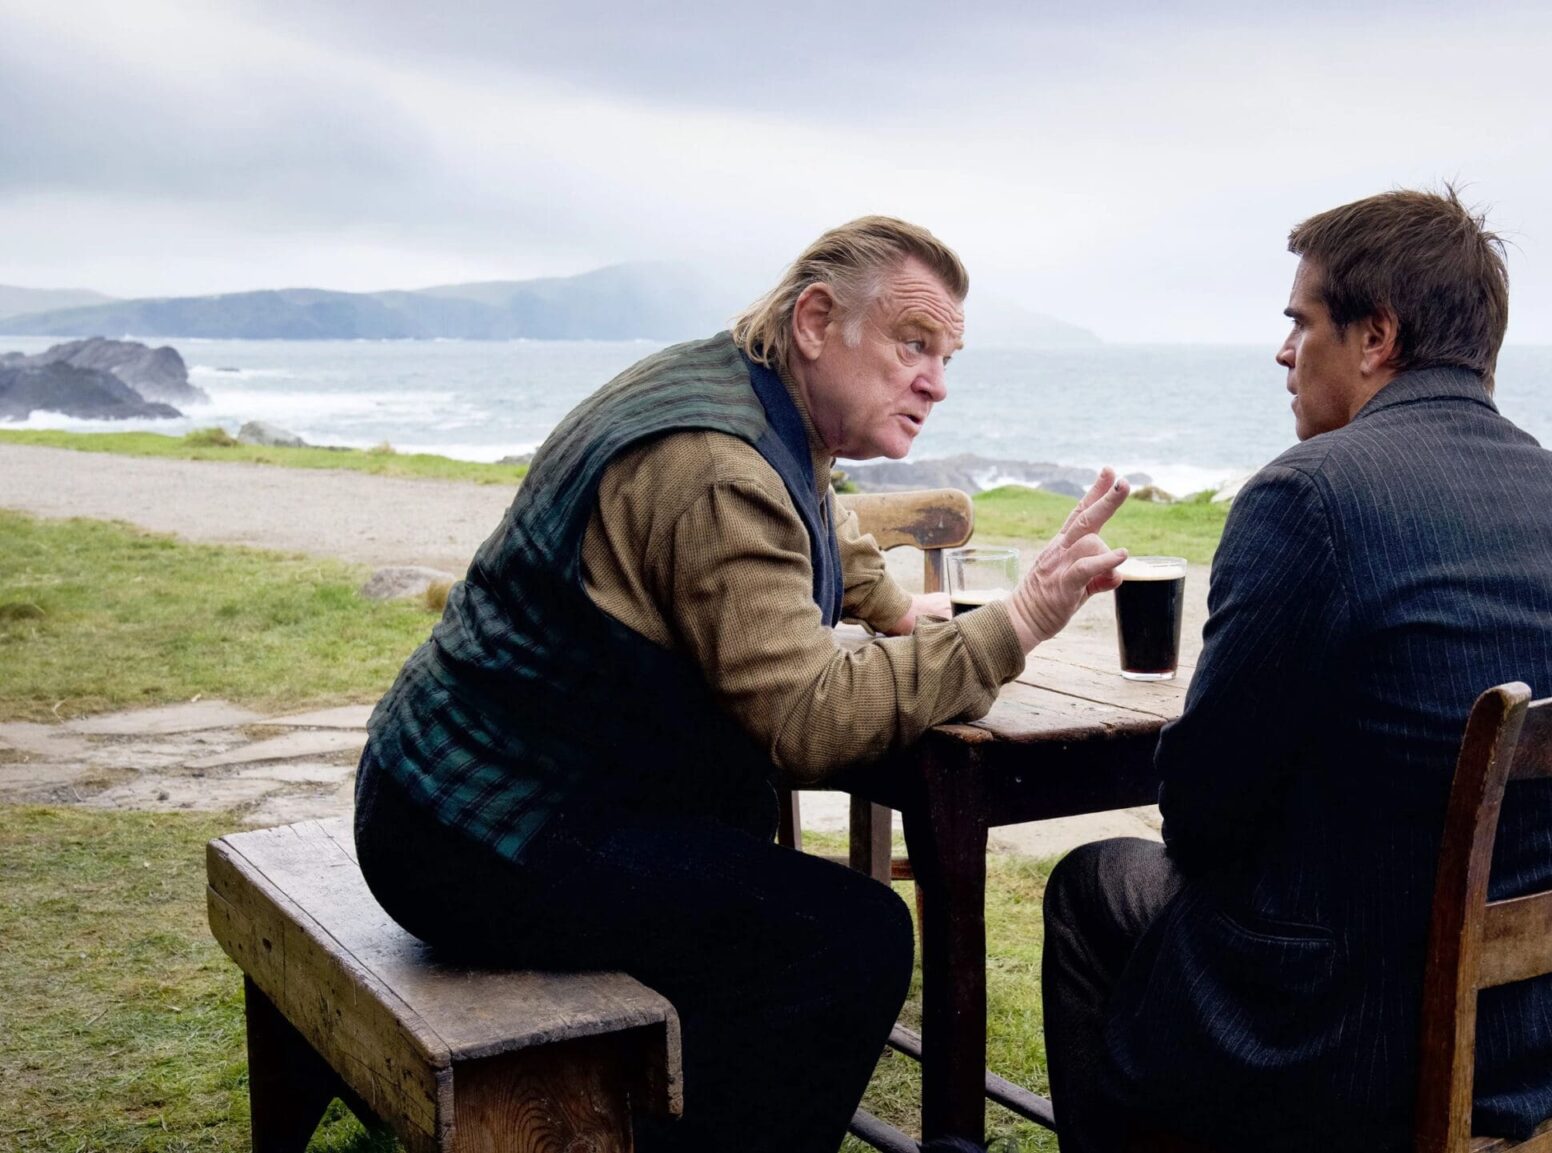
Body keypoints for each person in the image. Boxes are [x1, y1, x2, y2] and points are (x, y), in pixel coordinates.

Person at [353, 216, 1130, 1153]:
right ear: (816, 321)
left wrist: (892, 609)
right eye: (912, 343)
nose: (935, 381)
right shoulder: (716, 466)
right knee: (848, 941)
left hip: (457, 788)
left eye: (946, 356)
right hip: (471, 828)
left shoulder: (749, 395)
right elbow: (808, 720)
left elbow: (817, 509)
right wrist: (1020, 621)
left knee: (750, 870)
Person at [1040, 189, 1552, 1152]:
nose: (1284, 353)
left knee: (1093, 884)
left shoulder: (1310, 499)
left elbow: (1201, 813)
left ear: (1376, 336)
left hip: (1365, 1047)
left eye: (1301, 323)